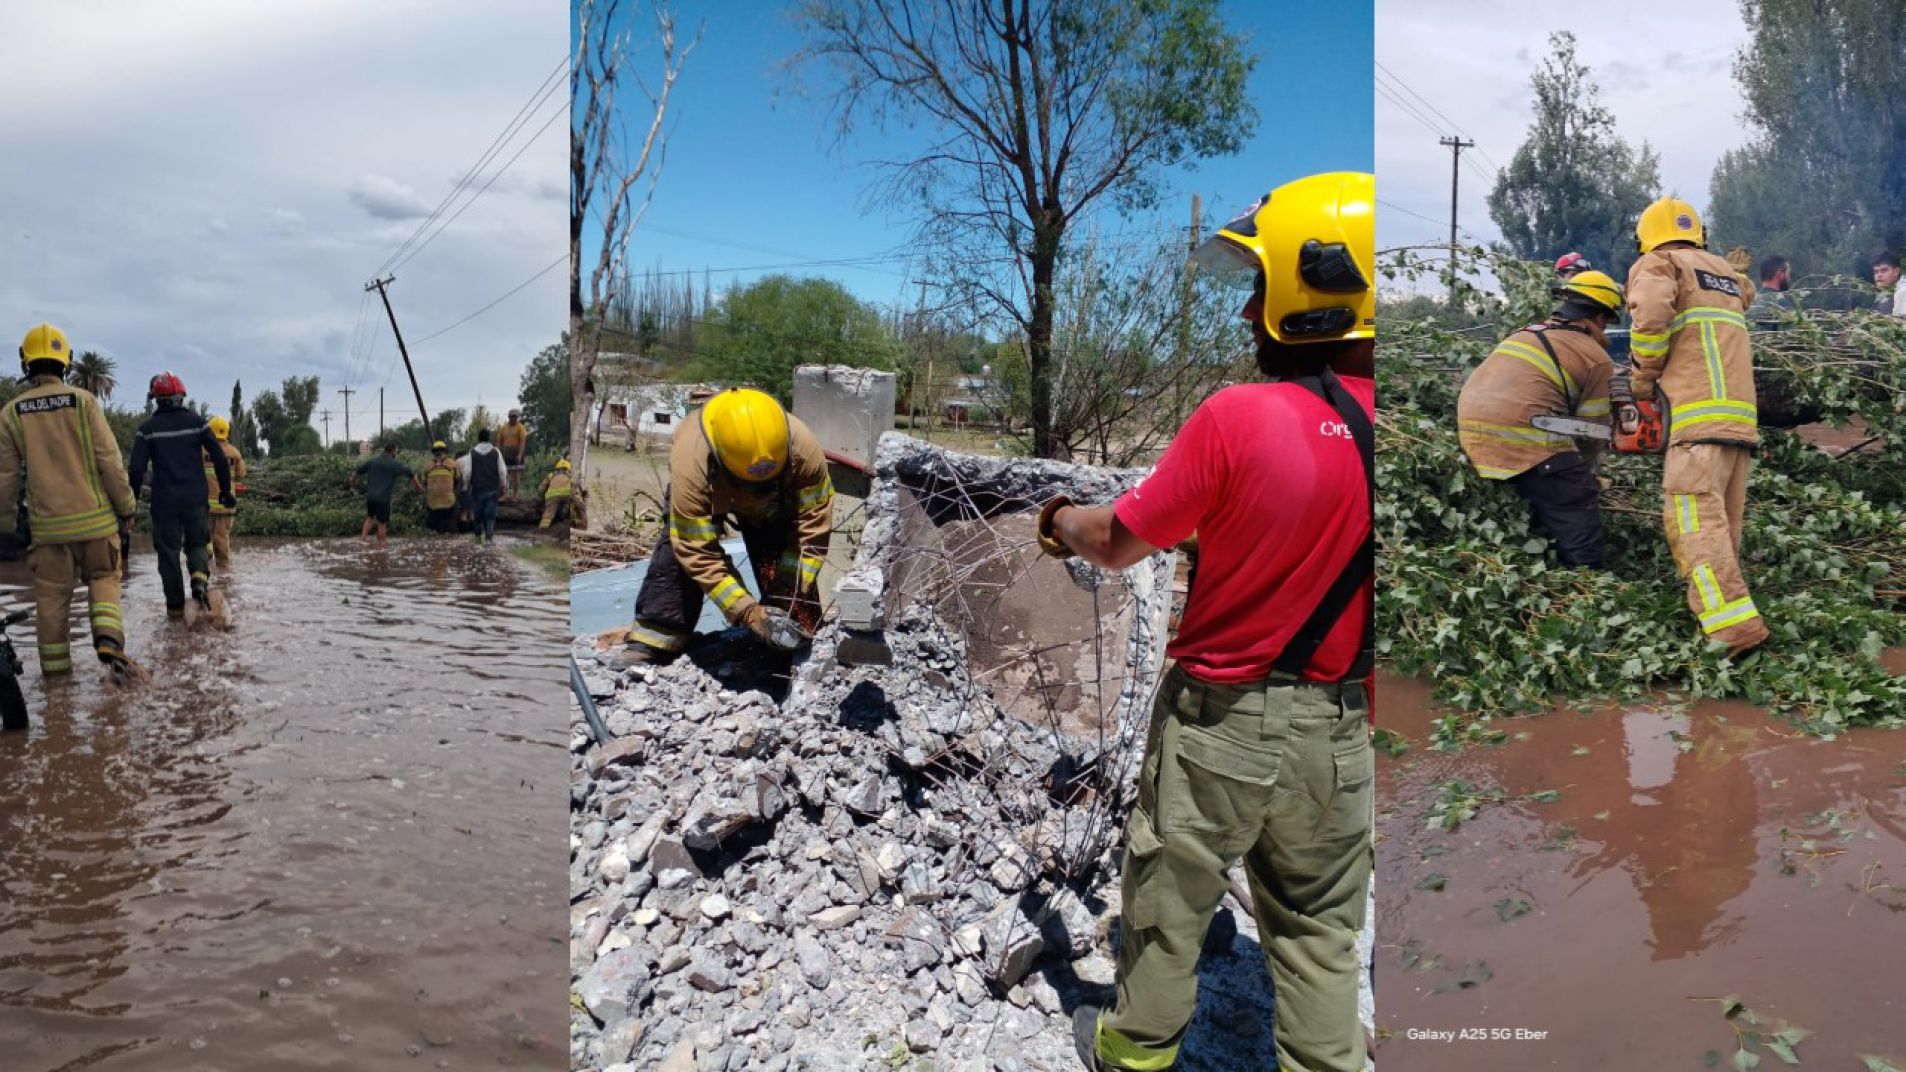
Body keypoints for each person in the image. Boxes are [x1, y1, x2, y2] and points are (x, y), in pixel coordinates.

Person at [1038, 173, 1375, 1072]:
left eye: (1259, 287)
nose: (1246, 312)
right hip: (1344, 733)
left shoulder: (1240, 418)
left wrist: (1058, 519)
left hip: (1223, 724)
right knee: (1315, 931)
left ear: (1310, 290)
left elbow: (1114, 542)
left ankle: (1134, 1052)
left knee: (1165, 904)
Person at [1625, 196, 1768, 657]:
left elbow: (1649, 317)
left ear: (1646, 236)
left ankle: (1732, 631)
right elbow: (1745, 291)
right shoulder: (1726, 275)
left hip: (1694, 421)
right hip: (1738, 423)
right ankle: (1715, 616)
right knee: (1722, 527)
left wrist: (1642, 380)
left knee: (1693, 527)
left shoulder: (1659, 263)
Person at [606, 387, 832, 668]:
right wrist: (746, 611)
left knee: (784, 567)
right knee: (676, 552)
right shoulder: (692, 463)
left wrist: (787, 591)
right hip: (710, 488)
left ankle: (792, 636)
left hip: (778, 502)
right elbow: (697, 551)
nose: (754, 494)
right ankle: (657, 638)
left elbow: (811, 530)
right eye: (750, 487)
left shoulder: (804, 451)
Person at [1456, 270, 1624, 567]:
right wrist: (1585, 470)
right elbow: (1593, 433)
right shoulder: (1595, 358)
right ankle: (1589, 579)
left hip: (1473, 439)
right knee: (1575, 496)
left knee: (1544, 495)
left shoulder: (1524, 334)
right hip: (1524, 437)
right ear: (1599, 317)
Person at [0, 324, 139, 675]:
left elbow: (5, 479)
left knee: (50, 600)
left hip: (49, 533)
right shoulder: (84, 402)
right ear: (67, 362)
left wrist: (5, 528)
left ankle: (56, 686)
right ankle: (108, 638)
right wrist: (127, 508)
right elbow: (110, 462)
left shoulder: (10, 414)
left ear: (26, 364)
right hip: (97, 523)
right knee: (106, 577)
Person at [129, 372, 233, 621]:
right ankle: (199, 581)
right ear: (181, 397)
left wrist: (130, 500)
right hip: (195, 499)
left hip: (164, 503)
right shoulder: (197, 422)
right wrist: (226, 491)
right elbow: (219, 456)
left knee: (168, 554)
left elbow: (135, 469)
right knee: (197, 544)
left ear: (156, 399)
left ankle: (175, 612)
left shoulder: (147, 429)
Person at [352, 442, 422, 544]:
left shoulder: (373, 461)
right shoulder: (395, 464)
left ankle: (362, 540)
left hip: (370, 497)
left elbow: (357, 472)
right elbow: (411, 474)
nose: (397, 454)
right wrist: (419, 487)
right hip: (383, 499)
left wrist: (353, 483)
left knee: (370, 518)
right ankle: (381, 548)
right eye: (397, 452)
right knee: (382, 523)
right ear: (393, 451)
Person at [203, 415, 246, 570]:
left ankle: (205, 575)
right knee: (222, 544)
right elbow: (241, 475)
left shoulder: (201, 451)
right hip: (226, 506)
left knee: (202, 540)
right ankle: (224, 579)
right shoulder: (235, 453)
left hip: (205, 506)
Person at [458, 428, 509, 542]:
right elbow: (502, 471)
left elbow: (467, 472)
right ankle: (489, 537)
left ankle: (477, 538)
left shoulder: (472, 452)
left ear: (478, 438)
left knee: (477, 514)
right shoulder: (496, 452)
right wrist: (504, 486)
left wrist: (466, 485)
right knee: (490, 513)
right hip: (492, 487)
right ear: (489, 438)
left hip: (477, 488)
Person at [422, 440, 461, 534]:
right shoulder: (452, 464)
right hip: (448, 500)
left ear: (433, 452)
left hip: (432, 500)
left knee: (433, 517)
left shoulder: (427, 465)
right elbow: (458, 479)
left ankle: (434, 530)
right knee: (451, 516)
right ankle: (449, 531)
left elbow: (424, 481)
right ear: (445, 451)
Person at [1745, 254, 1794, 328]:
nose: (1789, 279)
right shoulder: (1781, 303)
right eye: (1788, 274)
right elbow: (1790, 336)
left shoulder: (1749, 303)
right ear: (1780, 273)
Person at [497, 407, 529, 497]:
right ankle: (505, 494)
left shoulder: (520, 428)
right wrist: (498, 453)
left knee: (516, 475)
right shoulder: (504, 428)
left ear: (517, 417)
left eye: (515, 417)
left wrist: (519, 454)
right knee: (505, 474)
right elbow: (499, 441)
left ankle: (515, 494)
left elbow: (522, 442)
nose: (513, 418)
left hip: (516, 453)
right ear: (509, 417)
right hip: (506, 454)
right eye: (511, 417)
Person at [538, 458, 574, 528]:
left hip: (552, 497)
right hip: (567, 495)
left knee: (548, 515)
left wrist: (541, 497)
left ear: (557, 468)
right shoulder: (570, 476)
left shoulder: (551, 475)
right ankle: (565, 520)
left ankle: (543, 529)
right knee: (567, 507)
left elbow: (541, 488)